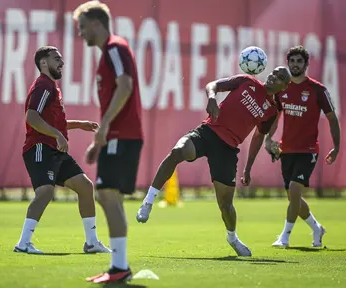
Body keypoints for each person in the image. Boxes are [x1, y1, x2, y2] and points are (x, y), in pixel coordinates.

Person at [136, 66, 291, 256]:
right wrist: (211, 98)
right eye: (274, 73)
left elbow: (258, 137)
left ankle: (232, 237)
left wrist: (248, 168)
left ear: (284, 87)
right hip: (207, 133)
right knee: (177, 152)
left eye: (280, 77)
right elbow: (213, 85)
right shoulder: (247, 81)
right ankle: (148, 201)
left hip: (227, 150)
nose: (274, 77)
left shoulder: (271, 111)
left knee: (226, 205)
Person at [14, 46, 110, 255]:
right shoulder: (43, 86)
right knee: (45, 192)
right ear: (43, 63)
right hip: (40, 147)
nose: (62, 62)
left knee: (85, 186)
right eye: (56, 58)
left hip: (55, 150)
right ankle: (23, 243)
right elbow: (32, 117)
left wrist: (77, 124)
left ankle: (92, 242)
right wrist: (57, 135)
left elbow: (54, 121)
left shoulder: (52, 86)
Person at [73, 1, 143, 283]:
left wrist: (103, 129)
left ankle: (120, 266)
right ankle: (119, 265)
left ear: (96, 23)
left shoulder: (114, 47)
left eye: (82, 27)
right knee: (109, 195)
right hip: (117, 136)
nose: (80, 33)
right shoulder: (108, 52)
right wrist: (100, 140)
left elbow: (125, 86)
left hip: (121, 136)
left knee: (107, 194)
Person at [264, 45, 340, 248]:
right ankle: (316, 228)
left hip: (308, 151)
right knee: (293, 197)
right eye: (292, 61)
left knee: (295, 190)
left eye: (299, 61)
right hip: (286, 149)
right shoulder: (283, 89)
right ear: (287, 63)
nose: (295, 64)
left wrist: (336, 147)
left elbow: (332, 119)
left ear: (306, 64)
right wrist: (268, 139)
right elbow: (275, 117)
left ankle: (285, 237)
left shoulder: (317, 89)